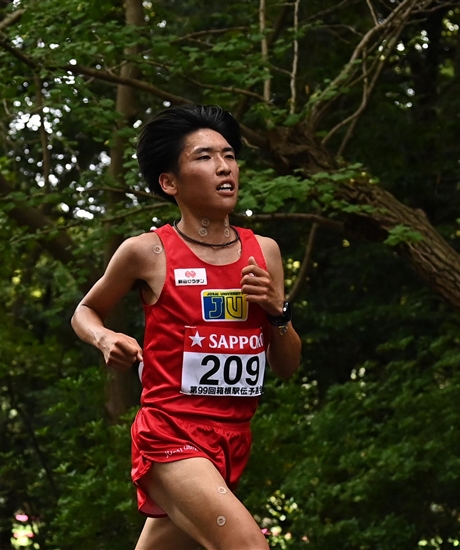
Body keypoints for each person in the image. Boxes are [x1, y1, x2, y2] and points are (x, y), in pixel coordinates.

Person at [71, 104, 301, 550]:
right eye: (204, 157)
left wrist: (278, 310)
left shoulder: (265, 252)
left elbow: (287, 366)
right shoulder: (147, 252)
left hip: (233, 439)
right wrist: (106, 337)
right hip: (170, 434)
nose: (223, 167)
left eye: (229, 155)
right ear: (169, 182)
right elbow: (86, 310)